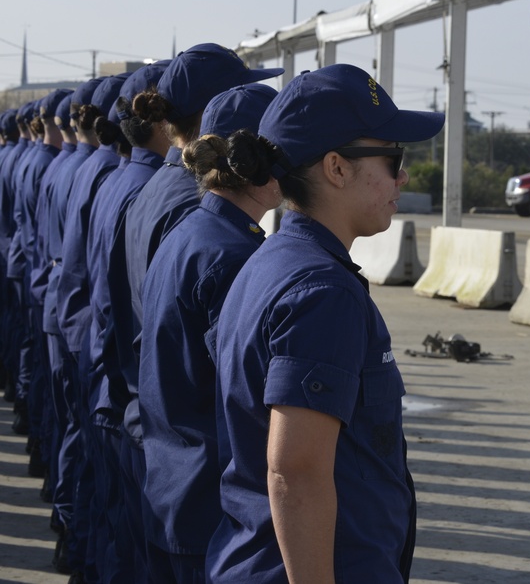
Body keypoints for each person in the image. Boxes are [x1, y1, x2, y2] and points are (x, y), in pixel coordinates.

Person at [207, 64, 444, 583]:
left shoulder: (272, 262)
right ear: (336, 168)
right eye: (392, 158)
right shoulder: (322, 291)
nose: (401, 176)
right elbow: (297, 471)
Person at [140, 83, 279, 584]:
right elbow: (247, 401)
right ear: (262, 160)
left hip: (173, 489)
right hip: (212, 512)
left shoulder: (193, 233)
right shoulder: (233, 256)